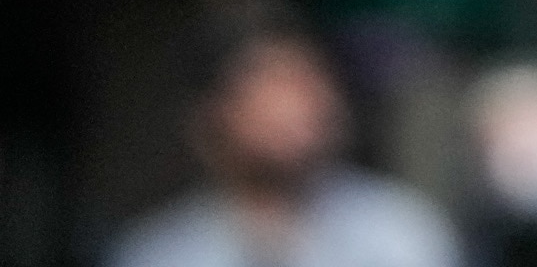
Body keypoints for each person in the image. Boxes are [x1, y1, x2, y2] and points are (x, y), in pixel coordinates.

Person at [108, 14, 458, 267]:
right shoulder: (161, 253)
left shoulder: (398, 230)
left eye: (308, 80)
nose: (303, 104)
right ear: (211, 113)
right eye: (274, 83)